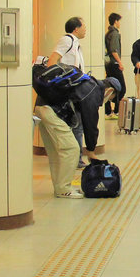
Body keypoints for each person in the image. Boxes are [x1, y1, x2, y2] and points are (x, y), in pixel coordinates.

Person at [33, 58, 83, 199]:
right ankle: (64, 188)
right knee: (71, 149)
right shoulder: (92, 91)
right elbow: (89, 123)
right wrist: (91, 150)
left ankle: (59, 188)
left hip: (41, 107)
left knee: (55, 151)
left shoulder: (80, 80)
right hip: (51, 110)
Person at [104, 12, 125, 119]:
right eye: (119, 21)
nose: (120, 24)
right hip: (114, 64)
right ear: (116, 21)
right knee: (121, 88)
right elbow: (114, 50)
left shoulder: (108, 33)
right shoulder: (115, 34)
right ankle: (115, 111)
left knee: (109, 86)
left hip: (108, 64)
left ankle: (108, 111)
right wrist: (120, 63)